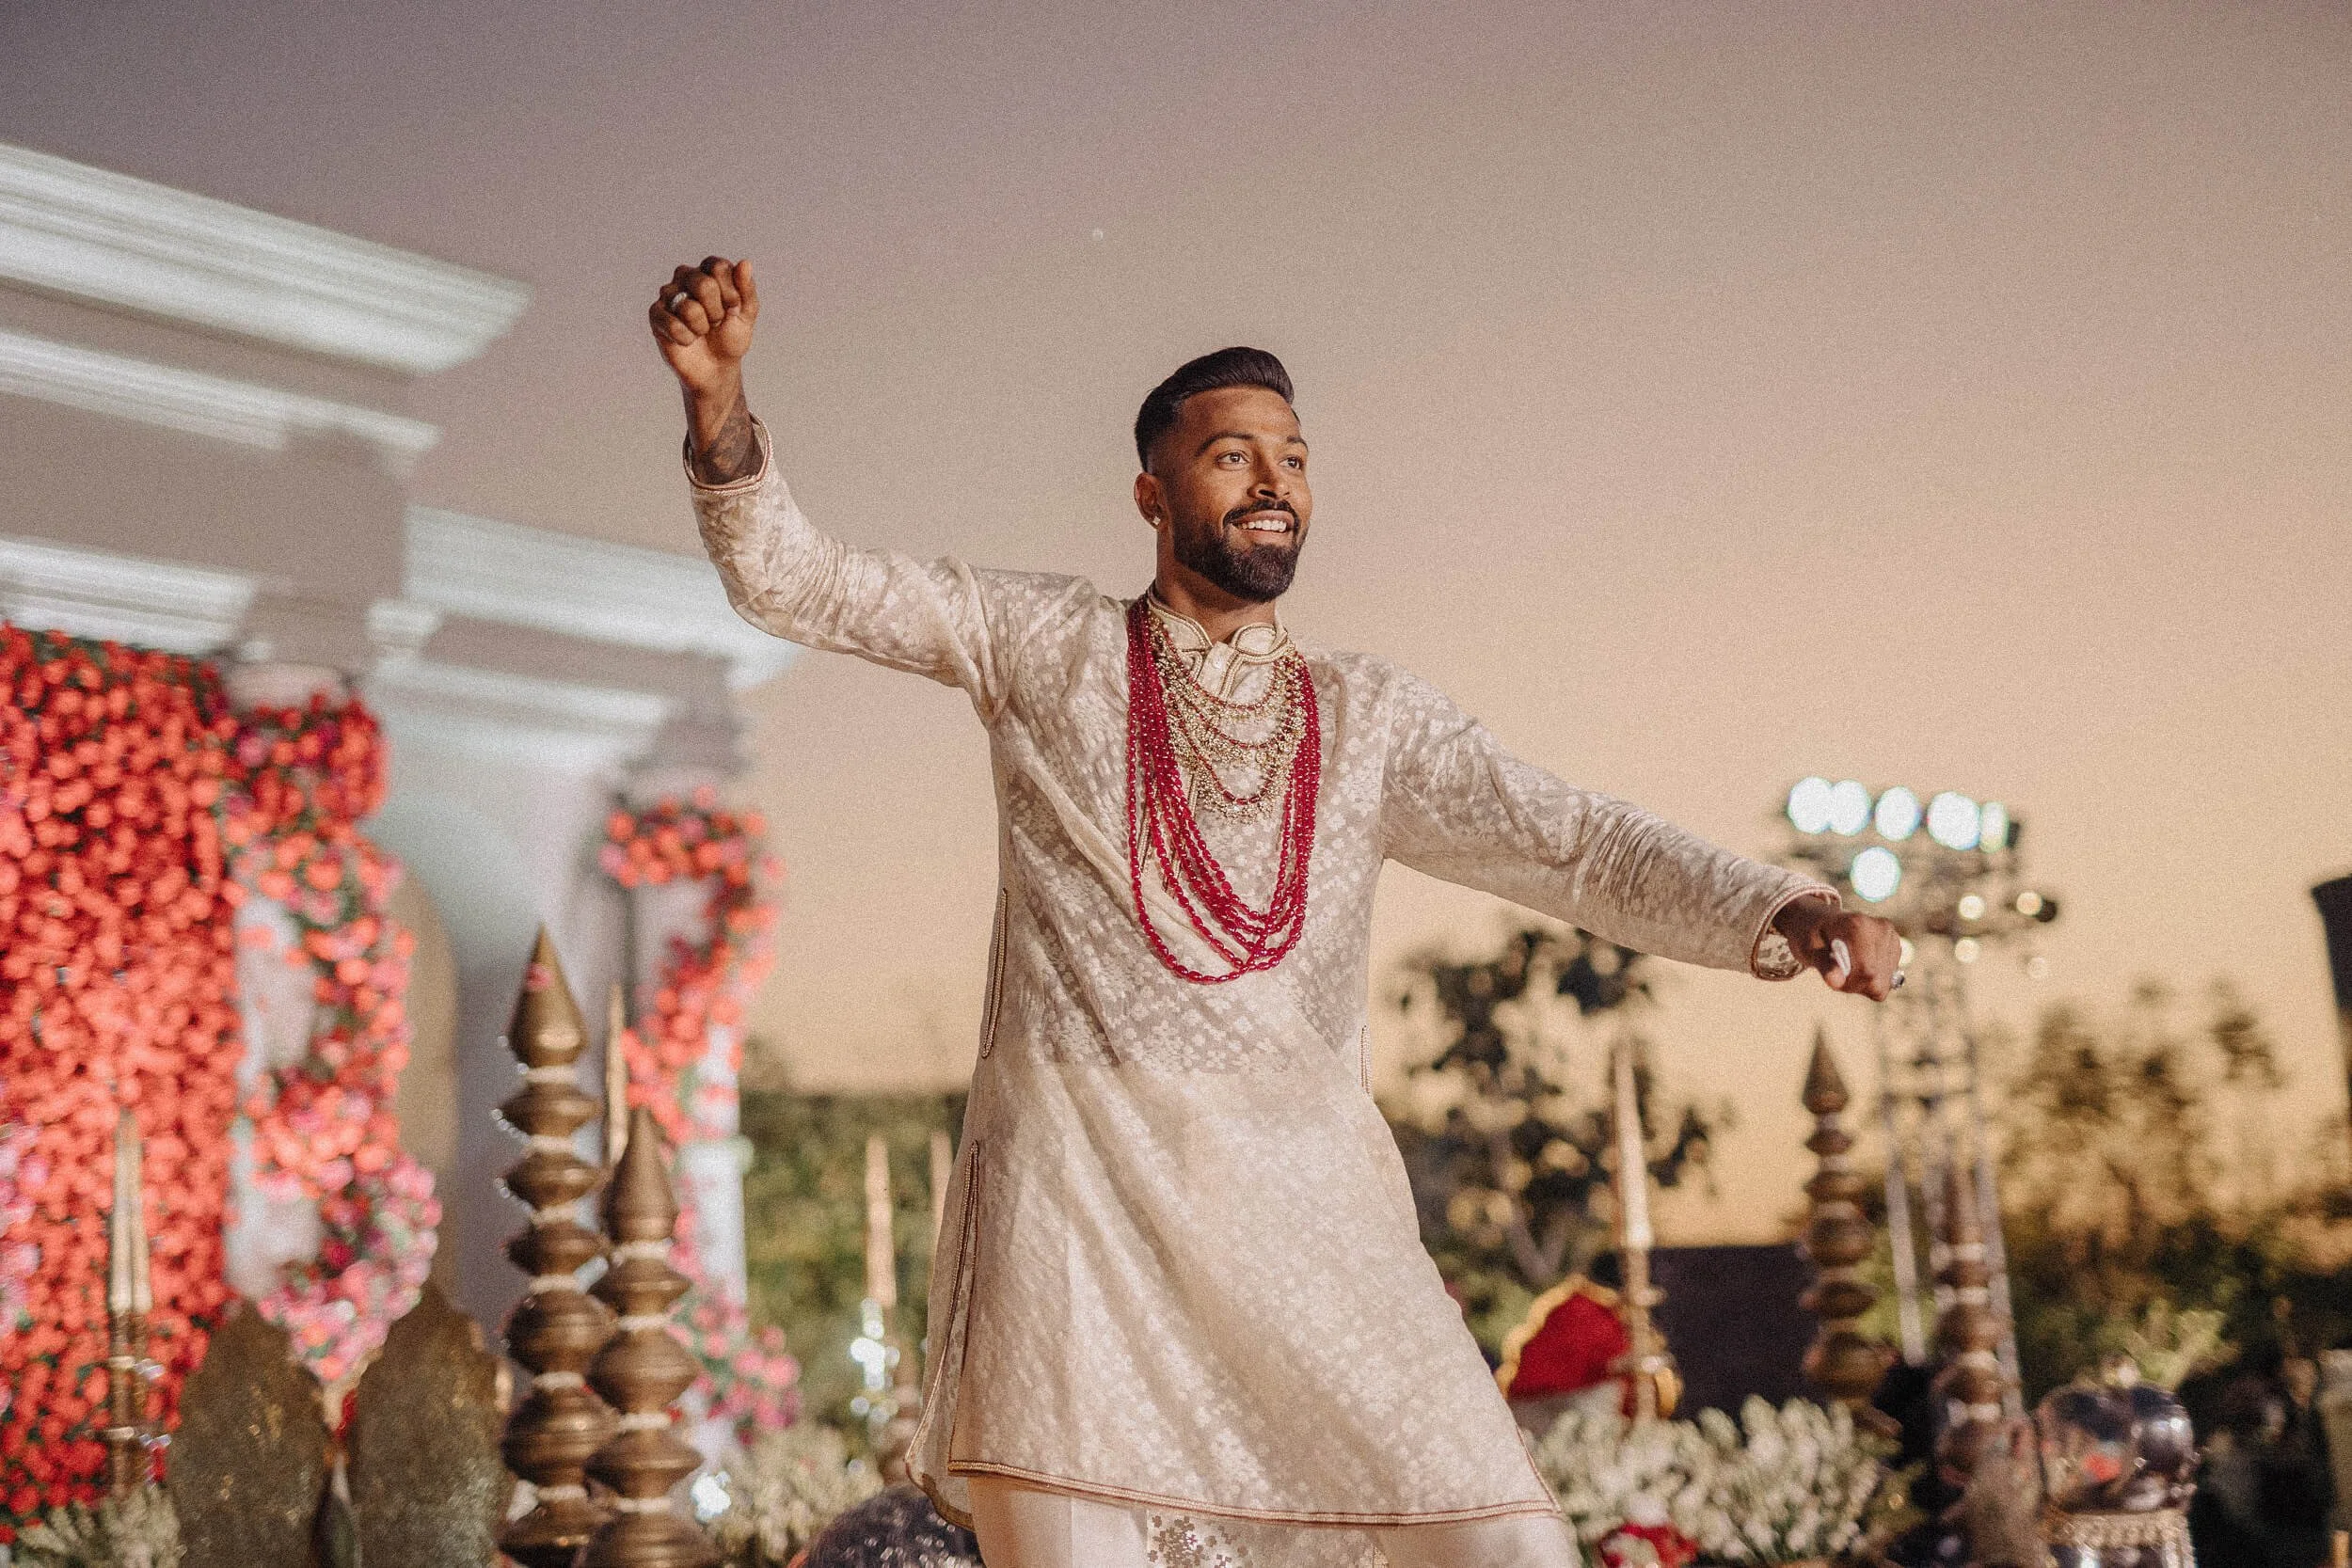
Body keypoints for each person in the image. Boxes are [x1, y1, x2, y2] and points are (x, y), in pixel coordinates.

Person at [649, 256, 1902, 1568]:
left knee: (1511, 1548)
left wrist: (1785, 906)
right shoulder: (1049, 646)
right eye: (1232, 456)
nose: (1273, 482)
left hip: (1313, 1210)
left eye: (1293, 459)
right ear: (1151, 494)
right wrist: (719, 407)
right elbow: (800, 581)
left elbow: (1574, 842)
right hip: (1083, 1212)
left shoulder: (1367, 717)